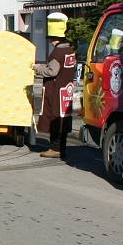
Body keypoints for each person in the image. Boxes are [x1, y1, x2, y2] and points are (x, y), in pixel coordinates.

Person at [33, 12, 76, 160]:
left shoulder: (58, 52)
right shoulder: (70, 50)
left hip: (55, 91)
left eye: (51, 39)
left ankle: (55, 148)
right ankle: (61, 148)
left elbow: (52, 71)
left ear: (55, 39)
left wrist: (38, 68)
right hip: (66, 90)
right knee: (63, 118)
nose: (50, 42)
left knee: (54, 118)